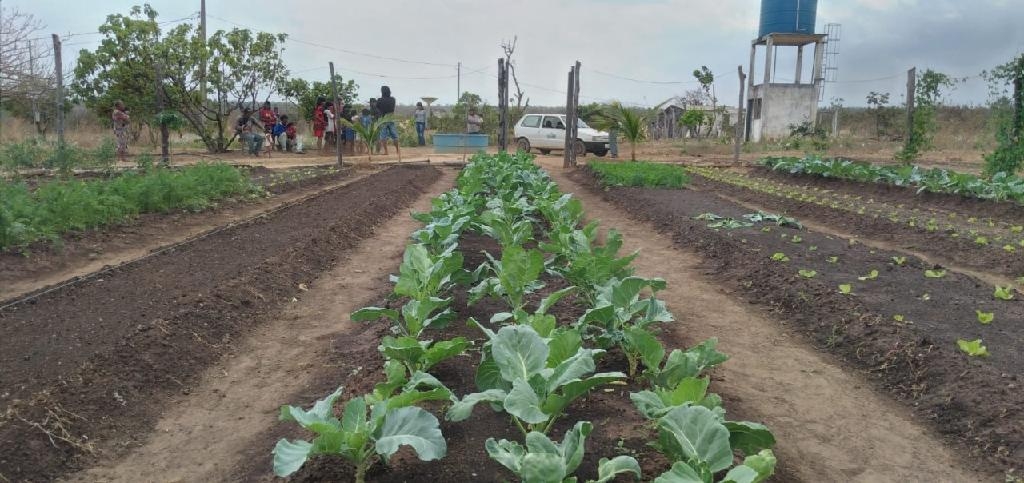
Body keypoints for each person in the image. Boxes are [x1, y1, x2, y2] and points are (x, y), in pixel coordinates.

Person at [376, 86, 400, 160]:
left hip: (383, 119)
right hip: (391, 118)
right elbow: (393, 108)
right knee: (394, 136)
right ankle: (397, 150)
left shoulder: (379, 100)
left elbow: (378, 108)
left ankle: (386, 151)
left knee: (383, 136)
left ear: (382, 91)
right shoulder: (393, 99)